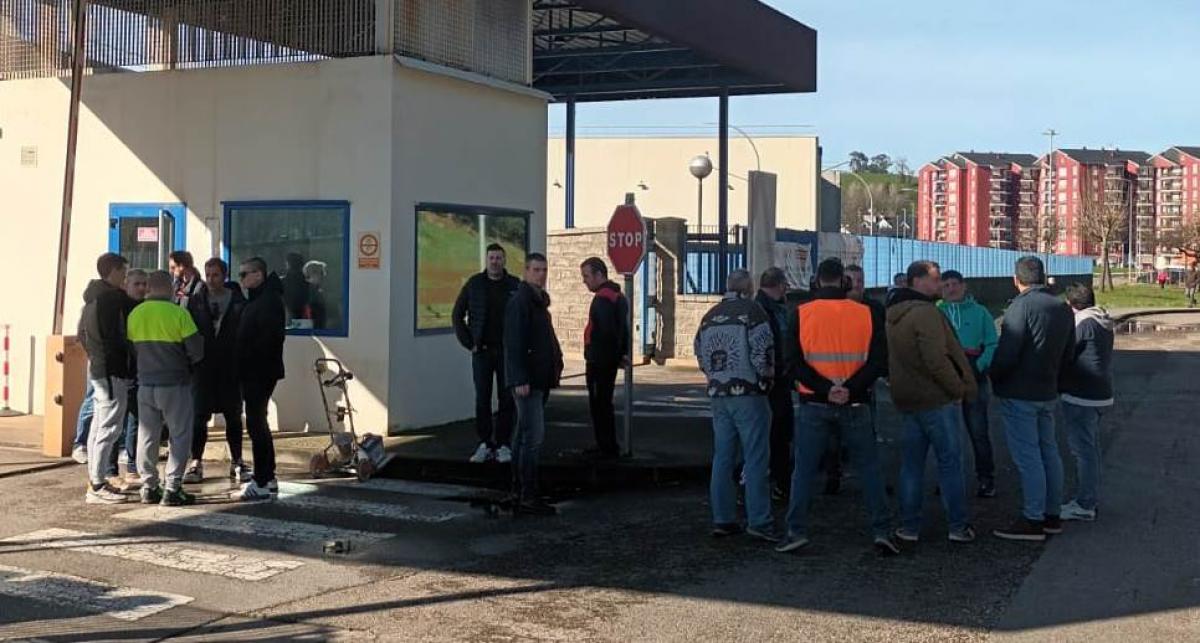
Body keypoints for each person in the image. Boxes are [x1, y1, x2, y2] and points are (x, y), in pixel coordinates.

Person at [778, 258, 897, 555]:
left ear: (816, 281)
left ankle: (795, 531)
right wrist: (849, 388)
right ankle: (881, 529)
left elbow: (793, 364)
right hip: (856, 401)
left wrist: (826, 389)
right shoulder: (866, 314)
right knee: (869, 469)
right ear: (844, 283)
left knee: (803, 471)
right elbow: (878, 363)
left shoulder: (800, 314)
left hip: (814, 403)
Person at [888, 261, 978, 544]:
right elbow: (936, 360)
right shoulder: (926, 314)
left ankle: (909, 526)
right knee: (950, 462)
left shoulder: (892, 314)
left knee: (911, 465)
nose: (940, 285)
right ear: (917, 281)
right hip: (936, 398)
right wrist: (959, 388)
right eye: (935, 279)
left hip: (908, 397)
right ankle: (957, 525)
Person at [990, 256, 1075, 541]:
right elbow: (1069, 352)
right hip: (1047, 390)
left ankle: (1033, 518)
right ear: (1043, 276)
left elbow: (1008, 350)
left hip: (1019, 391)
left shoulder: (1020, 306)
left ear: (1017, 280)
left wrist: (995, 376)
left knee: (1028, 457)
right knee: (1049, 451)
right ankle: (1052, 514)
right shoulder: (1062, 307)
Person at [696, 269, 778, 542]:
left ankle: (723, 518)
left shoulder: (709, 317)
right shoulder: (753, 313)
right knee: (755, 458)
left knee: (722, 457)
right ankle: (759, 521)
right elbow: (762, 352)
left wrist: (714, 377)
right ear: (750, 288)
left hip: (719, 394)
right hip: (749, 393)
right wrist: (767, 379)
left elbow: (700, 352)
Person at [128, 271, 204, 506]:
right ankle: (172, 488)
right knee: (179, 436)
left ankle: (149, 486)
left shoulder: (135, 314)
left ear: (149, 288)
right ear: (171, 289)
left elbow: (131, 349)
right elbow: (197, 352)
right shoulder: (179, 314)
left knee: (147, 436)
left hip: (145, 384)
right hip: (175, 384)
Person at [504, 253, 564, 516]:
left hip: (539, 378)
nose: (541, 274)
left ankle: (520, 489)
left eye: (544, 270)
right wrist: (520, 379)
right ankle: (527, 493)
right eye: (536, 270)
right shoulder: (521, 302)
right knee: (532, 438)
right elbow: (514, 343)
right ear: (526, 271)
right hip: (528, 381)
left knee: (523, 435)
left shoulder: (537, 302)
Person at [452, 243, 521, 464]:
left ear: (504, 260)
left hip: (505, 352)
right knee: (482, 398)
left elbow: (524, 315)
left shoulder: (514, 285)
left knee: (506, 399)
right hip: (481, 351)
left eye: (499, 258)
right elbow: (457, 314)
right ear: (486, 259)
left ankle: (503, 444)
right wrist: (468, 342)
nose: (495, 262)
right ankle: (485, 443)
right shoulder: (474, 284)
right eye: (491, 258)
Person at [77, 253, 137, 504]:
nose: (126, 276)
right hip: (112, 370)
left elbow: (81, 333)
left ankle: (96, 479)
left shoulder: (92, 298)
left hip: (99, 368)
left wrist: (95, 355)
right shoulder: (113, 299)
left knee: (100, 425)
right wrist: (125, 361)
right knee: (109, 427)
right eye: (124, 271)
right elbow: (117, 337)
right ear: (112, 271)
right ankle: (98, 485)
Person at [183, 258, 249, 484]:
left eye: (216, 275)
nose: (211, 280)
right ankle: (196, 461)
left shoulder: (237, 301)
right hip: (202, 367)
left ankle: (237, 460)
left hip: (230, 367)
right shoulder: (196, 301)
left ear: (224, 276)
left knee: (233, 416)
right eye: (208, 275)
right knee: (199, 416)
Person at [938, 270, 999, 498]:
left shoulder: (980, 312)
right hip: (945, 379)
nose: (951, 289)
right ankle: (948, 478)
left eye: (955, 284)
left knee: (978, 431)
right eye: (946, 285)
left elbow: (992, 343)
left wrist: (979, 366)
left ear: (964, 287)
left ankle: (986, 478)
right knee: (946, 433)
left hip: (975, 376)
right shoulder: (937, 312)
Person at [230, 257, 286, 502]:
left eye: (245, 274)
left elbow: (268, 339)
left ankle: (263, 479)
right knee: (257, 423)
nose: (241, 279)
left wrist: (248, 362)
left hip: (258, 372)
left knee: (256, 424)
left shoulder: (267, 302)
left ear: (259, 275)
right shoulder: (261, 299)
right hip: (256, 370)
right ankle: (267, 477)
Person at [1059, 283, 1114, 522]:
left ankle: (1085, 503)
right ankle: (1088, 498)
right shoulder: (1102, 320)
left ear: (1070, 304)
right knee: (1091, 449)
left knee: (1083, 451)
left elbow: (1065, 355)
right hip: (1100, 392)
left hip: (1081, 394)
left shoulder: (1081, 323)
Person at [580, 257, 630, 460]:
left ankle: (606, 446)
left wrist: (605, 355)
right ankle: (606, 444)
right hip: (608, 359)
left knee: (599, 403)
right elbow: (622, 330)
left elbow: (606, 331)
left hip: (599, 361)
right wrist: (621, 354)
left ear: (599, 275)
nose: (585, 281)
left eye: (586, 276)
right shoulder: (617, 295)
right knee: (604, 403)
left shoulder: (602, 298)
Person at [755, 267, 792, 499]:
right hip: (772, 381)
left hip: (779, 378)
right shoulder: (763, 310)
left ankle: (779, 482)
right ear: (779, 285)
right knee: (775, 435)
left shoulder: (773, 307)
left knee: (779, 434)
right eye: (785, 284)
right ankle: (779, 483)